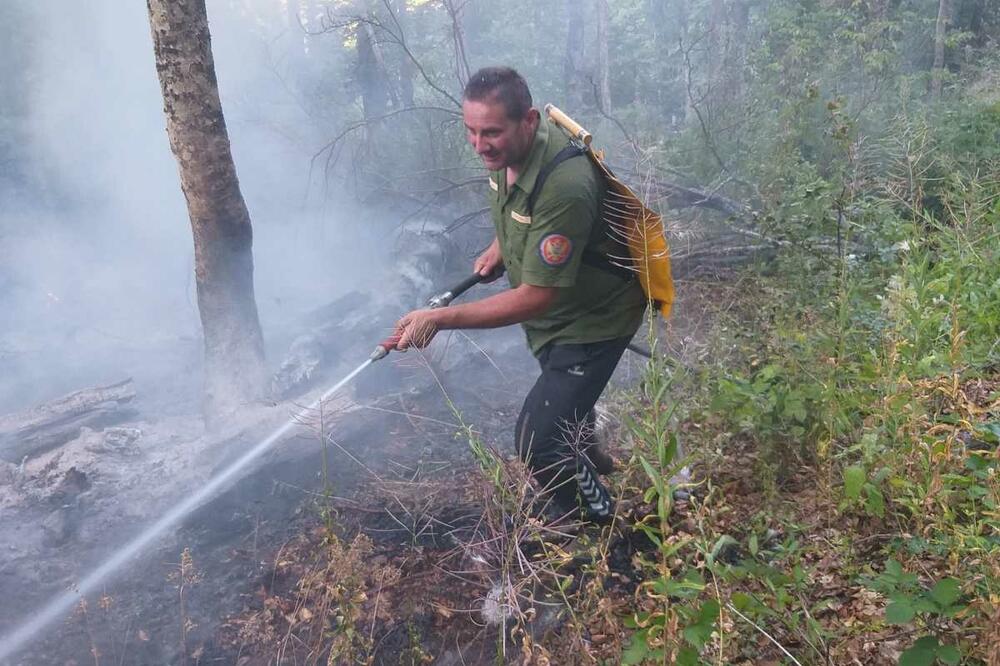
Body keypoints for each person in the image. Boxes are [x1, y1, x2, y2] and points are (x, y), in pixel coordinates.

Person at [393, 66, 647, 523]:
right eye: (470, 130)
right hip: (561, 315)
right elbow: (518, 211)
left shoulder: (566, 185)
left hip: (593, 318)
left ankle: (601, 521)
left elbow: (537, 297)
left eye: (491, 131)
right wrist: (501, 247)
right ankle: (594, 461)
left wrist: (441, 319)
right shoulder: (508, 156)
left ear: (528, 120)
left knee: (538, 441)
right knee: (565, 411)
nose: (479, 144)